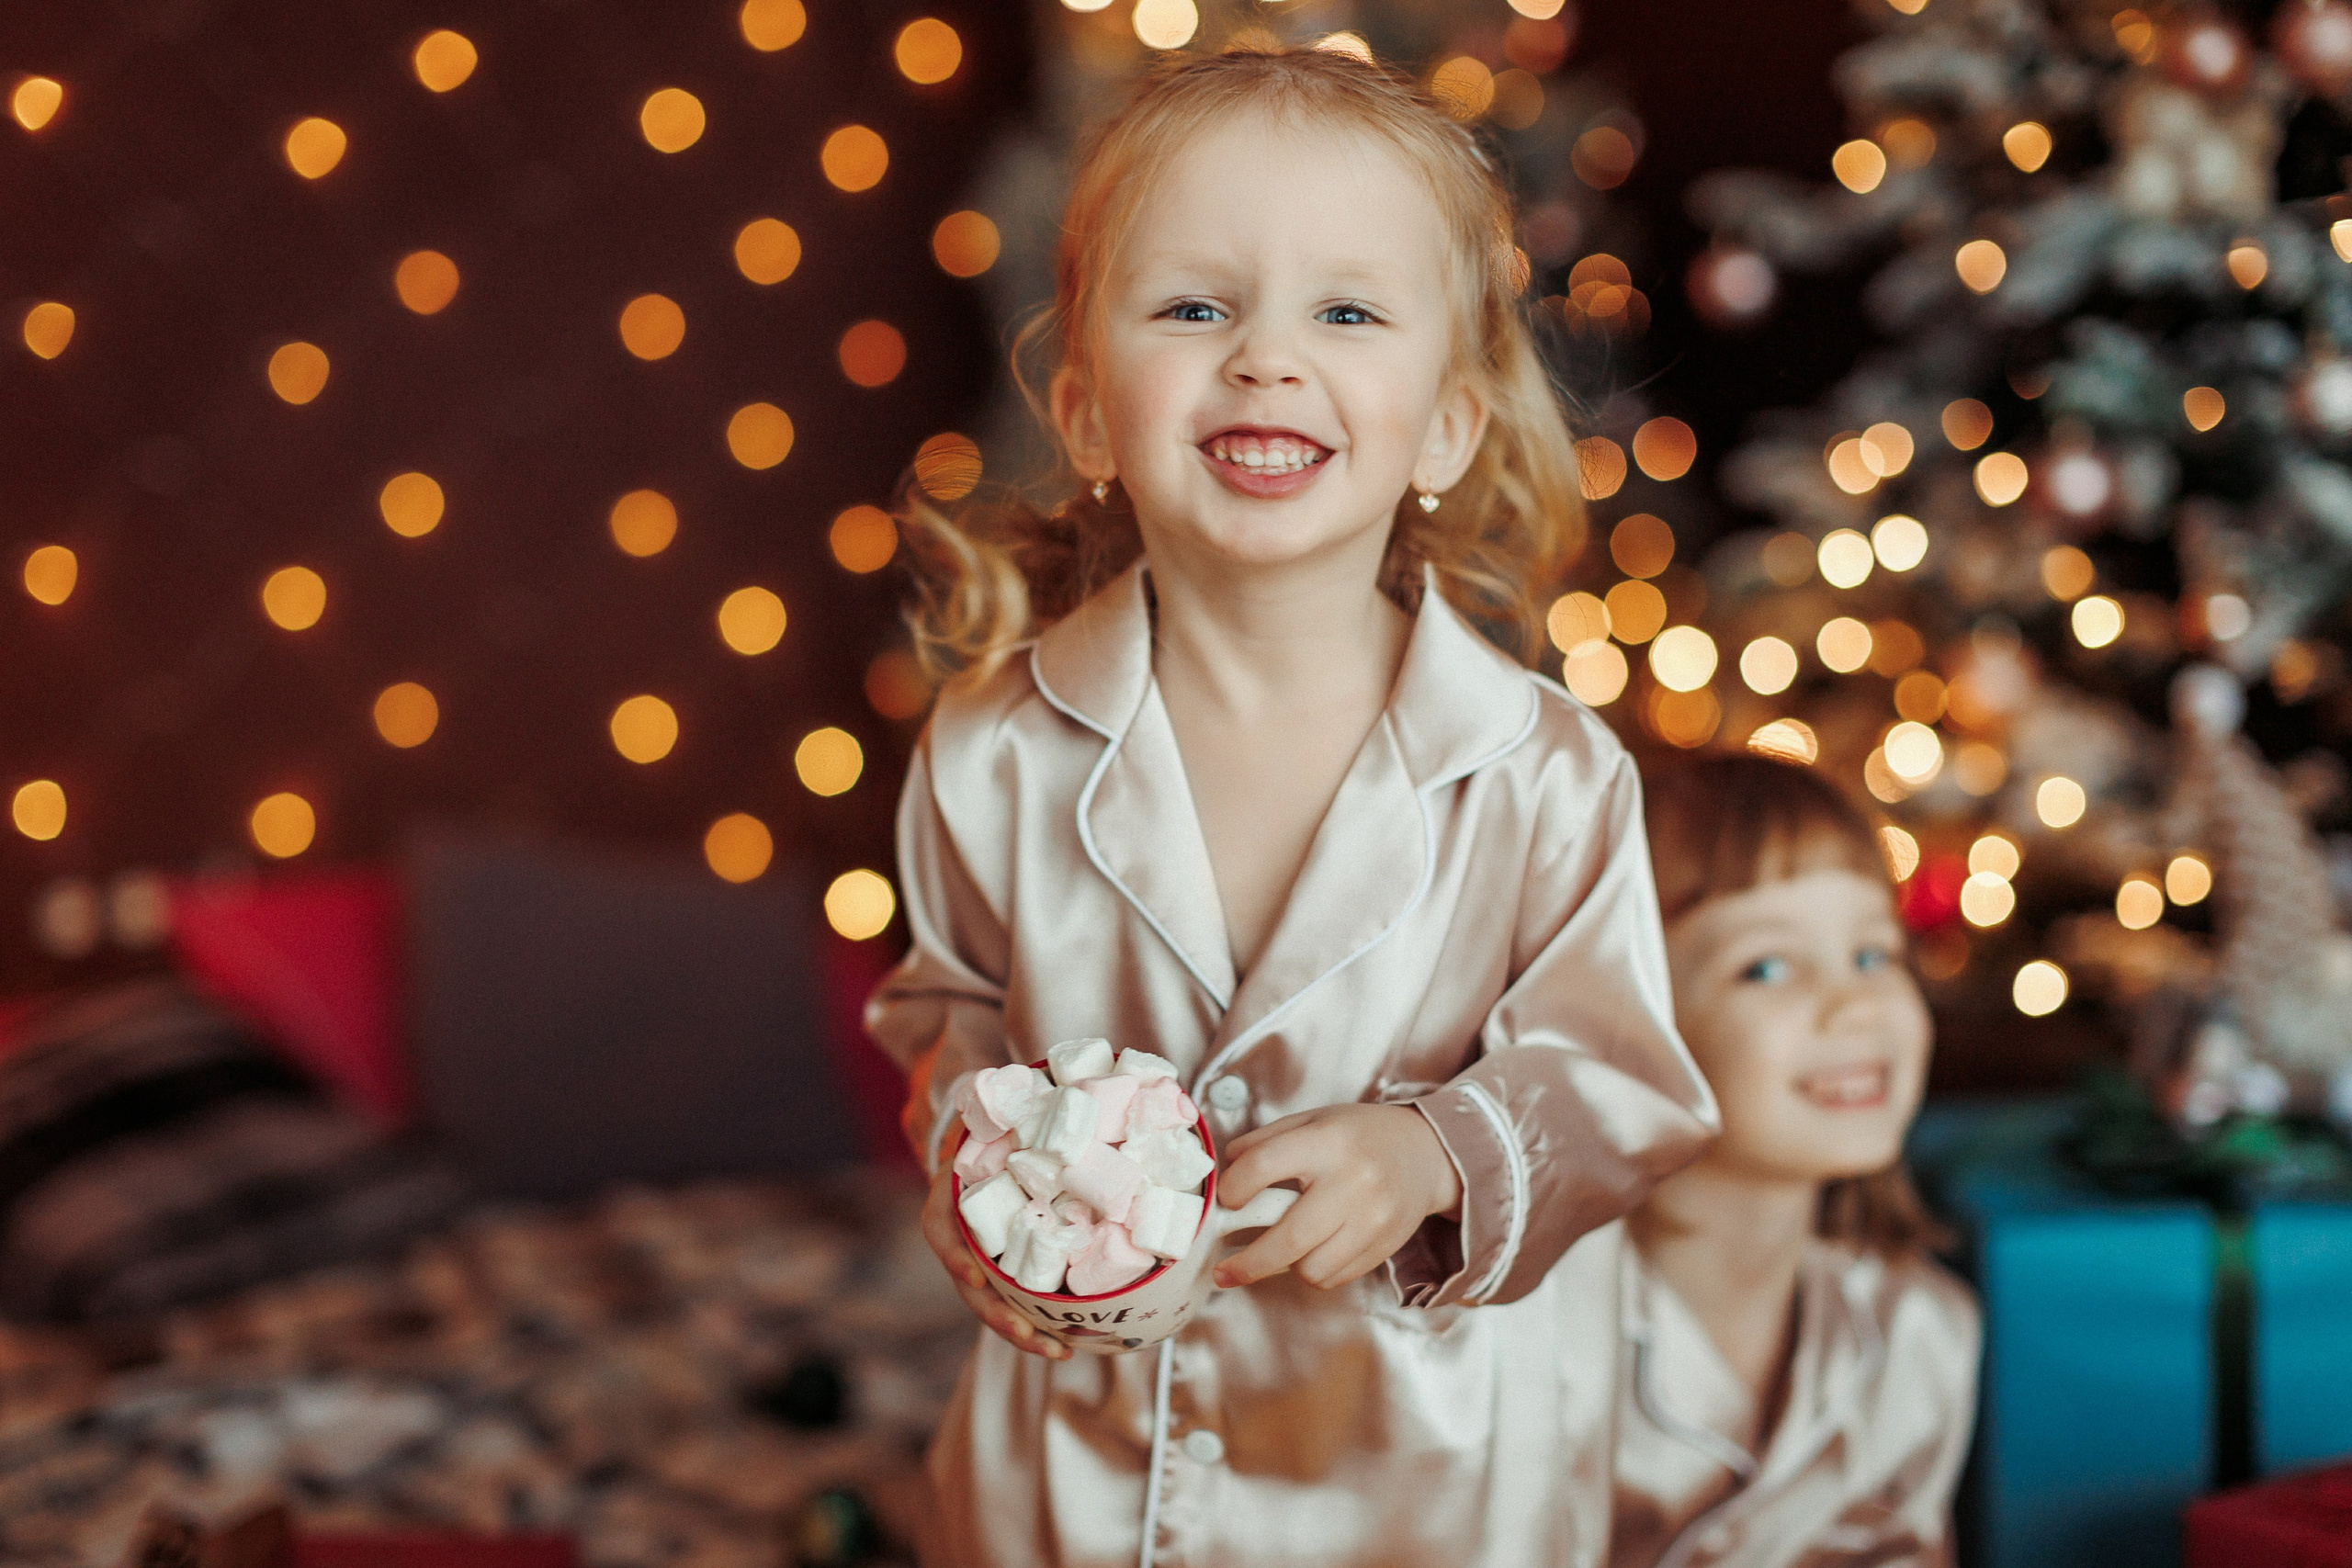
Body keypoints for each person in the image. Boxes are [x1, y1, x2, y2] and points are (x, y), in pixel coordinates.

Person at [865, 44, 1716, 1568]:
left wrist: (1439, 1153)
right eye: (1195, 307)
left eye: (1345, 311)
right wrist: (974, 1168)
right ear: (1082, 410)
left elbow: (1623, 1082)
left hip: (1430, 1475)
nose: (1265, 357)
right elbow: (951, 1010)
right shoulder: (995, 747)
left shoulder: (1541, 768)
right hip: (1078, 1472)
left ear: (1447, 424)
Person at [1610, 754, 1980, 1568]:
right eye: (1767, 966)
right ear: (1626, 1023)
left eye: (1875, 955)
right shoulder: (1536, 1340)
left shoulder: (1921, 1334)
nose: (1856, 1002)